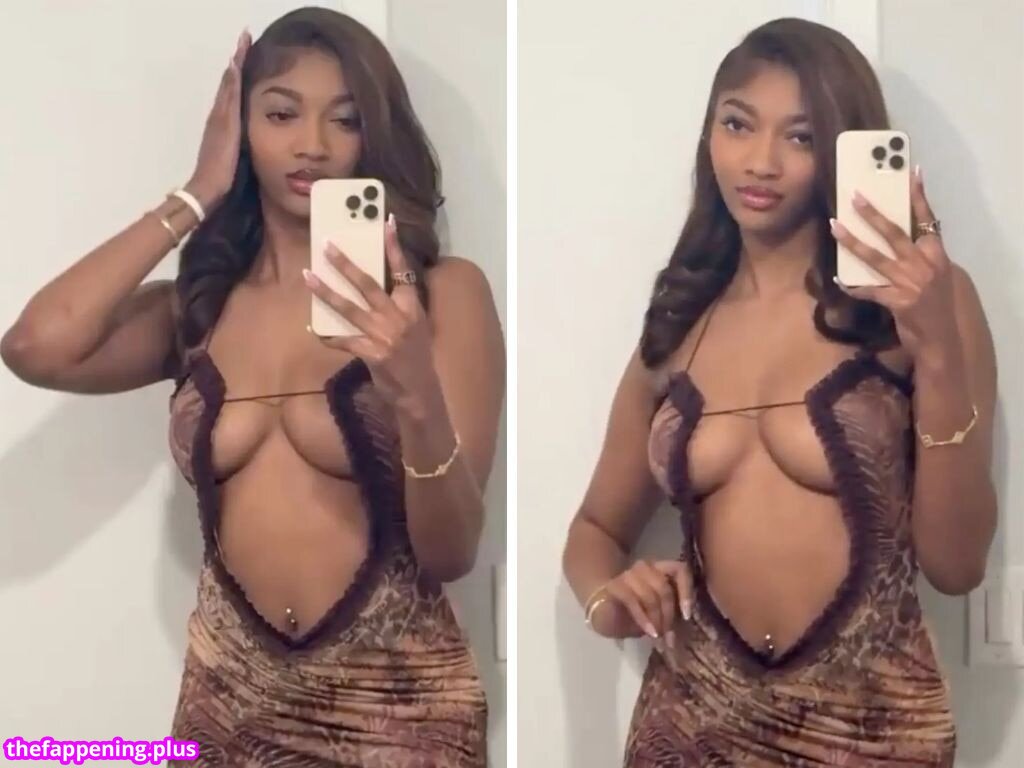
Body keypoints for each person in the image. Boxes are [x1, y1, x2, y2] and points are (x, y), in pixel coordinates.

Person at [1, 7, 504, 767]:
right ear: (240, 129)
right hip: (224, 708)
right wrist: (196, 192)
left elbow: (451, 551)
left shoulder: (440, 296)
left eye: (346, 119)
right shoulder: (199, 308)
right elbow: (36, 346)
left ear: (375, 135)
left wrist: (416, 396)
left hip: (399, 716)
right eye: (280, 114)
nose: (313, 144)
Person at [562, 17, 996, 766]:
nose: (760, 161)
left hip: (873, 731)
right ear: (709, 134)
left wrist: (938, 356)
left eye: (800, 137)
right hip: (687, 724)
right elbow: (594, 529)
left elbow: (956, 568)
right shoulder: (679, 325)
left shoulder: (925, 303)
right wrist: (609, 601)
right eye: (738, 124)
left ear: (842, 151)